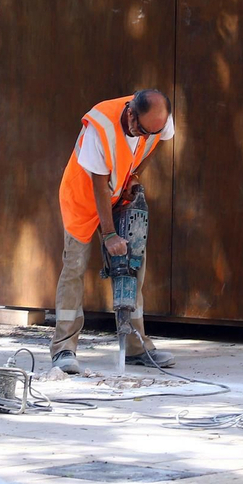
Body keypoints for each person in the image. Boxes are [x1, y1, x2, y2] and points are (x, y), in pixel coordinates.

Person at [51, 89, 176, 374]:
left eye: (151, 132)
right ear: (131, 114)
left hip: (118, 193)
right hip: (83, 198)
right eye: (141, 130)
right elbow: (98, 184)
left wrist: (134, 174)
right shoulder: (100, 127)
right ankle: (64, 348)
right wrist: (109, 235)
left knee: (132, 267)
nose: (145, 136)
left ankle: (135, 346)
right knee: (74, 267)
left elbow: (156, 144)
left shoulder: (158, 120)